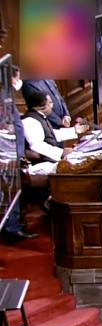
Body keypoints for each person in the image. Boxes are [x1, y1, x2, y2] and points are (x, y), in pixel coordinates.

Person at [1, 65, 35, 241]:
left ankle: (13, 225)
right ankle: (11, 228)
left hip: (14, 152)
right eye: (17, 77)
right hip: (7, 154)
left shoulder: (7, 95)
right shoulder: (2, 98)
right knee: (8, 191)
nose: (18, 81)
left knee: (13, 191)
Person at [20, 90, 79, 166]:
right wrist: (61, 152)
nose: (52, 105)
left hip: (52, 159)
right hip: (44, 164)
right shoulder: (29, 121)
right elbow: (37, 146)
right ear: (40, 107)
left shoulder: (40, 116)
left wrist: (75, 130)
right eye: (50, 103)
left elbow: (50, 134)